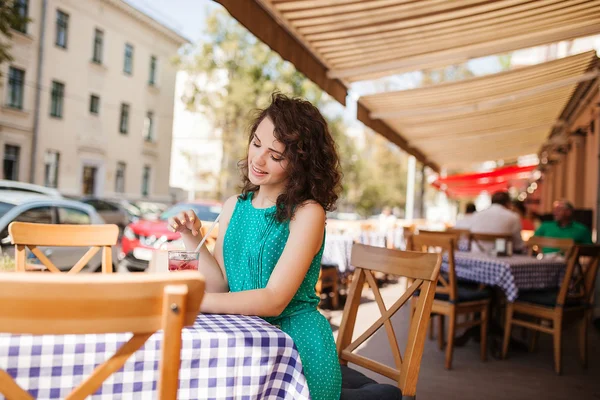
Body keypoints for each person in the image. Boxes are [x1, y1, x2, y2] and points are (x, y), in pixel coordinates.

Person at [168, 93, 342, 400]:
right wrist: (191, 238)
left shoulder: (308, 213)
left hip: (296, 352)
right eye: (256, 143)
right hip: (243, 343)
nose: (258, 159)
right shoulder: (234, 205)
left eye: (276, 156)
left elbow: (273, 300)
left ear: (300, 164)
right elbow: (221, 285)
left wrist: (193, 303)